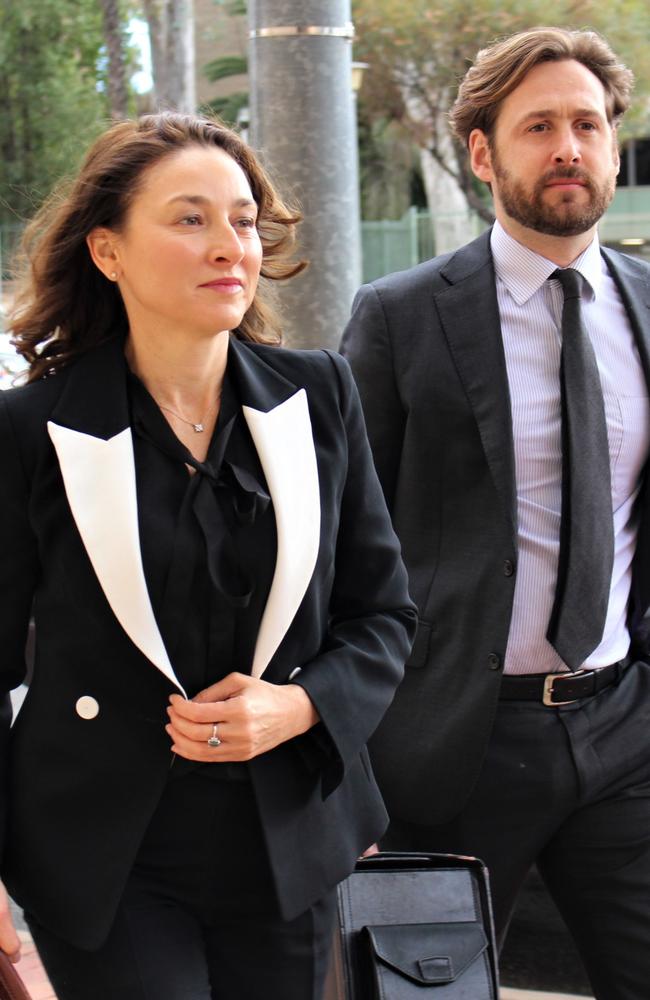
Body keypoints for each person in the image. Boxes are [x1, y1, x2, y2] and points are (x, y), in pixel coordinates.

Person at [0, 111, 416, 1000]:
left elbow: (382, 614)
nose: (229, 244)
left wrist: (301, 707)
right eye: (190, 218)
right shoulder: (28, 430)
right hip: (107, 863)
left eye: (242, 218)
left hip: (288, 849)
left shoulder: (319, 394)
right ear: (107, 252)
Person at [341, 26, 650, 1000]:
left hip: (620, 731)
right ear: (481, 154)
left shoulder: (644, 300)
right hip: (451, 747)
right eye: (538, 126)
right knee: (422, 993)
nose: (567, 146)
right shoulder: (397, 315)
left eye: (587, 124)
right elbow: (344, 549)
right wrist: (352, 757)